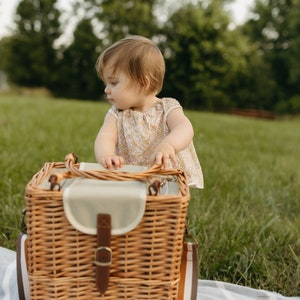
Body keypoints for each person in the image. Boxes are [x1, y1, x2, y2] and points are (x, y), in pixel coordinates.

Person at [94, 35, 203, 188]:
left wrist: (168, 145)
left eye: (113, 83)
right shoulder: (116, 114)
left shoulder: (167, 107)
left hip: (165, 176)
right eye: (106, 83)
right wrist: (106, 155)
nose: (106, 89)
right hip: (131, 178)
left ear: (142, 83)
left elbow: (184, 128)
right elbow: (105, 137)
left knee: (166, 207)